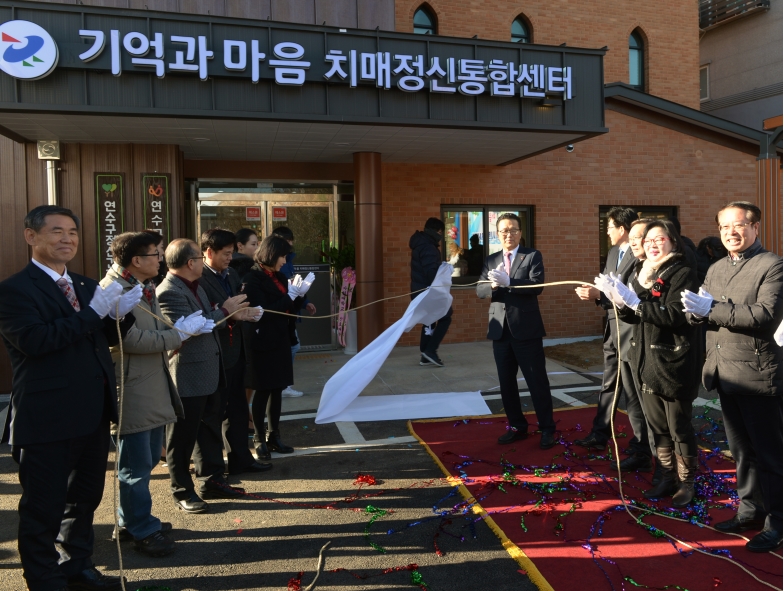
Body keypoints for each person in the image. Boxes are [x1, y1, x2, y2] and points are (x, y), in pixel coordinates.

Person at [0, 205, 140, 591]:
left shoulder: (83, 284)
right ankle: (43, 578)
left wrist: (120, 315)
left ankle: (77, 563)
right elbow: (36, 342)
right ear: (31, 236)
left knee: (84, 500)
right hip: (46, 416)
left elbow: (100, 339)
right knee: (42, 506)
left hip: (92, 413)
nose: (67, 239)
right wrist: (93, 313)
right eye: (57, 232)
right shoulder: (14, 290)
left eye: (73, 233)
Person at [682, 201, 782, 552]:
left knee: (769, 454)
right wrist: (694, 312)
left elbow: (765, 316)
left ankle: (776, 523)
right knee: (741, 452)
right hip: (724, 372)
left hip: (757, 373)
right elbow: (705, 308)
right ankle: (749, 510)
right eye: (724, 227)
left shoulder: (773, 265)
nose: (731, 233)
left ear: (755, 227)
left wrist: (710, 309)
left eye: (738, 225)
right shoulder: (717, 267)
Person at [102, 231, 195, 557]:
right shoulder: (114, 289)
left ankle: (133, 521)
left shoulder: (140, 286)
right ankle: (141, 528)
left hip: (150, 384)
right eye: (155, 253)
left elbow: (151, 330)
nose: (160, 259)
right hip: (133, 387)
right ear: (136, 260)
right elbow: (129, 340)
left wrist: (175, 332)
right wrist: (178, 335)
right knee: (136, 464)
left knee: (144, 459)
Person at [598, 219, 701, 507]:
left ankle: (686, 482)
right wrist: (620, 301)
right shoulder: (641, 273)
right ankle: (665, 475)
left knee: (678, 426)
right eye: (648, 241)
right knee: (658, 426)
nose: (652, 244)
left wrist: (637, 304)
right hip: (645, 359)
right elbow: (634, 316)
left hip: (673, 361)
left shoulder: (682, 271)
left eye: (659, 239)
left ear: (673, 242)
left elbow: (674, 315)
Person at [157, 239, 257, 514]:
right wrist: (227, 310)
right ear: (191, 263)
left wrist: (235, 313)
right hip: (188, 372)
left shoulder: (195, 284)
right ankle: (182, 490)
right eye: (200, 258)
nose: (203, 262)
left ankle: (211, 479)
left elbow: (207, 318)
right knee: (182, 435)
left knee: (209, 427)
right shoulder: (168, 291)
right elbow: (191, 327)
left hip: (210, 369)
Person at [477, 213, 556, 449]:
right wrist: (491, 285)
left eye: (512, 230)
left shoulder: (531, 256)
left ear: (520, 232)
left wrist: (509, 281)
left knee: (536, 380)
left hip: (526, 328)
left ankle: (547, 428)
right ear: (497, 234)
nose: (508, 234)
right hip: (499, 328)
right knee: (506, 382)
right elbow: (480, 291)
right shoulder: (491, 259)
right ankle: (516, 427)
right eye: (503, 231)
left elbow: (537, 286)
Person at [199, 229, 270, 475]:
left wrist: (247, 314)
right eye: (226, 253)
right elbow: (205, 317)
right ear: (209, 252)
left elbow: (236, 306)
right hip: (215, 353)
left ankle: (241, 459)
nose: (230, 258)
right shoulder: (199, 279)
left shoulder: (229, 274)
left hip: (236, 349)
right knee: (214, 413)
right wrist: (228, 313)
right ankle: (212, 470)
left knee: (238, 408)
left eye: (231, 253)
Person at [574, 207, 641, 456]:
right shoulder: (614, 252)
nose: (608, 232)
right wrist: (596, 293)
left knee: (633, 390)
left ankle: (640, 445)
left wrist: (598, 293)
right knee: (609, 384)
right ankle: (599, 434)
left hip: (631, 329)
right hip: (612, 326)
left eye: (610, 227)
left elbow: (630, 292)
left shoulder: (640, 253)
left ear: (622, 229)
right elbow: (608, 285)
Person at [242, 235, 312, 455]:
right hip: (262, 341)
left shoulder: (280, 277)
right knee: (263, 391)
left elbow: (287, 307)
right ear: (272, 254)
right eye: (283, 256)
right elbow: (264, 311)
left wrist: (300, 296)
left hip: (281, 339)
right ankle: (259, 438)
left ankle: (274, 436)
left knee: (277, 390)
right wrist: (289, 296)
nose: (284, 261)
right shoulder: (252, 278)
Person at [271, 226, 316, 397]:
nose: (289, 247)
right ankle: (281, 384)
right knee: (292, 346)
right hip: (281, 314)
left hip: (289, 312)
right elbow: (284, 291)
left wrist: (305, 301)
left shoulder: (287, 262)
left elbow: (293, 287)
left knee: (293, 346)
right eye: (286, 243)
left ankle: (282, 384)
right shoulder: (272, 267)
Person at [410, 217, 453, 367]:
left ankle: (425, 354)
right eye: (440, 232)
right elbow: (430, 272)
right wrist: (443, 273)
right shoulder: (428, 247)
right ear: (435, 231)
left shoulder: (421, 244)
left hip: (420, 290)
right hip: (429, 291)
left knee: (429, 320)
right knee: (445, 316)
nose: (441, 235)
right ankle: (430, 350)